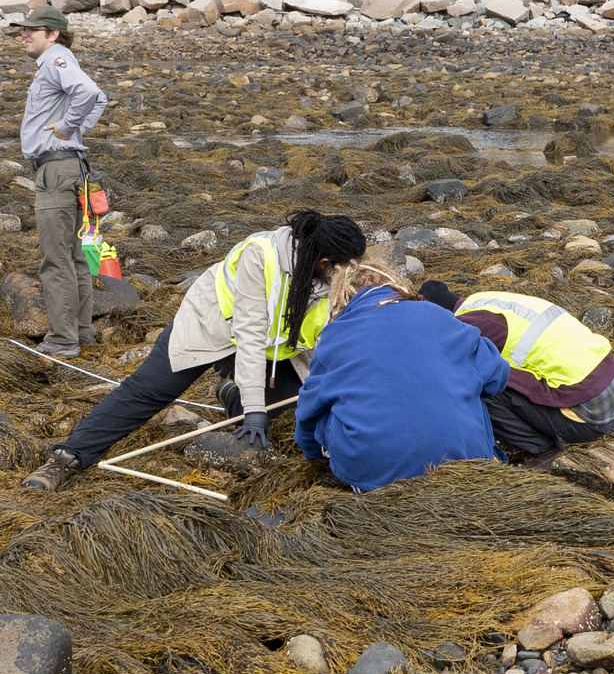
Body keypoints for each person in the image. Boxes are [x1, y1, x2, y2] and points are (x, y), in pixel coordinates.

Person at [22, 209, 369, 495]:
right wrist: (255, 413)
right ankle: (67, 457)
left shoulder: (330, 278)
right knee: (148, 391)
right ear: (323, 259)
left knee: (296, 397)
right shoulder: (260, 256)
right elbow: (248, 335)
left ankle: (235, 396)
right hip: (212, 326)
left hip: (275, 349)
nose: (349, 272)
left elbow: (329, 343)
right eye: (343, 265)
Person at [294, 268, 508, 491]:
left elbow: (308, 410)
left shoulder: (335, 335)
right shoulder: (439, 314)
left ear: (342, 299)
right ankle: (482, 454)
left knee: (325, 409)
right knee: (470, 388)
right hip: (466, 458)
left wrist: (312, 455)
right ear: (397, 285)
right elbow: (497, 376)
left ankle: (361, 481)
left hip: (377, 473)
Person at [418, 282, 614, 463]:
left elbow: (452, 382)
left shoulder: (466, 327)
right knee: (496, 374)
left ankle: (541, 450)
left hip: (591, 417)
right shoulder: (484, 300)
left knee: (481, 387)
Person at [14, 6, 109, 358]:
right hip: (70, 167)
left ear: (52, 34)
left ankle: (62, 340)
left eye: (31, 30)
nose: (24, 35)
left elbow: (89, 92)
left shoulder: (56, 61)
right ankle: (82, 333)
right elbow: (99, 98)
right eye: (22, 30)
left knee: (56, 260)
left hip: (56, 170)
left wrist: (68, 128)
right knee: (74, 257)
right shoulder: (57, 61)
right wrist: (76, 129)